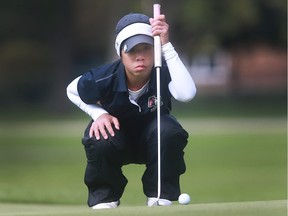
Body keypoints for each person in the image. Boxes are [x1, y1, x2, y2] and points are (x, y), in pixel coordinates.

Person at [66, 12, 196, 209]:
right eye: (132, 50)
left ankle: (159, 195)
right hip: (115, 142)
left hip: (154, 142)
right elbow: (71, 89)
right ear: (121, 53)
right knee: (98, 133)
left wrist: (166, 45)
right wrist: (98, 114)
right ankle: (105, 198)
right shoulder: (103, 77)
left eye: (147, 48)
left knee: (168, 128)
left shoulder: (164, 72)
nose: (140, 56)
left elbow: (186, 94)